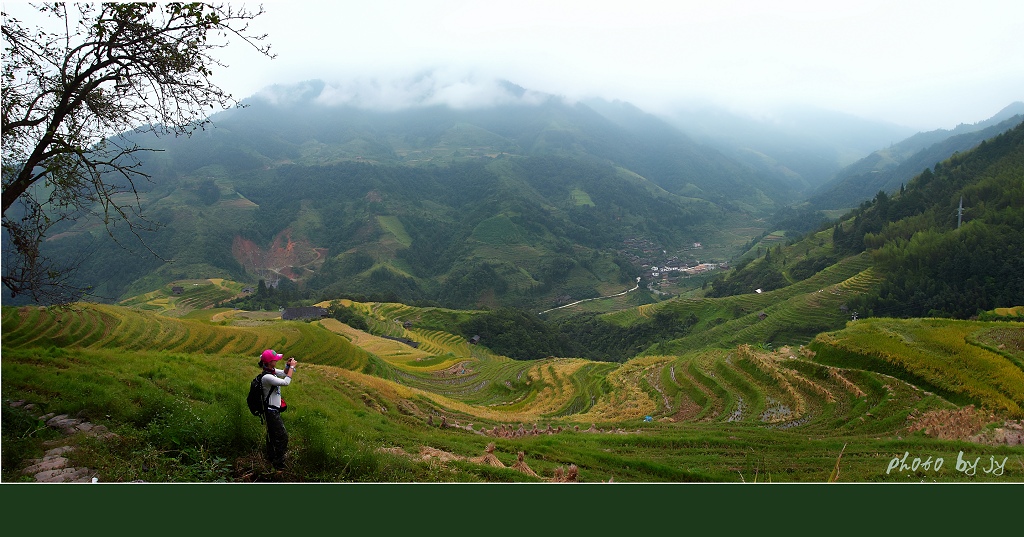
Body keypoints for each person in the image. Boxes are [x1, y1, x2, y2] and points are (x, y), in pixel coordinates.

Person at [258, 349, 298, 471]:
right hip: (271, 412)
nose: (277, 360)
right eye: (275, 360)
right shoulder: (267, 377)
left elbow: (284, 373)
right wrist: (292, 367)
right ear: (270, 362)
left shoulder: (271, 371)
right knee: (282, 437)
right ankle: (279, 464)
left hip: (272, 410)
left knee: (272, 435)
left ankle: (271, 458)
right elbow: (286, 382)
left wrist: (287, 366)